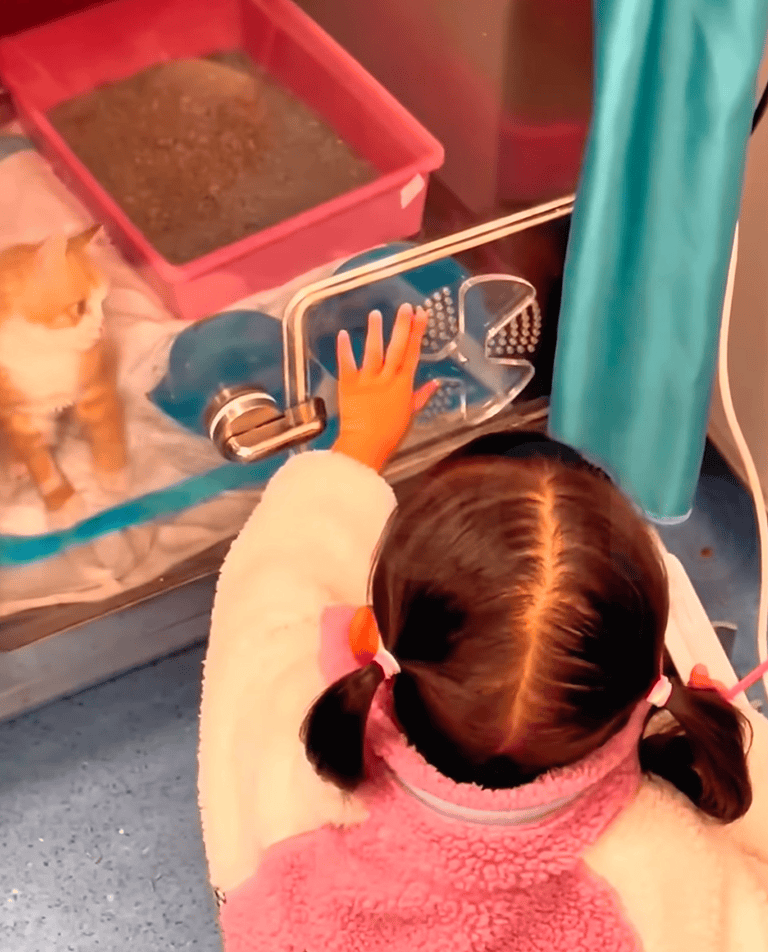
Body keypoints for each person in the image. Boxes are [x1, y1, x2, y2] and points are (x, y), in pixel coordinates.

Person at [197, 304, 768, 951]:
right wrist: (726, 749)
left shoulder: (290, 744)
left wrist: (356, 450)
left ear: (368, 632)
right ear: (648, 682)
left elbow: (275, 583)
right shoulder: (661, 868)